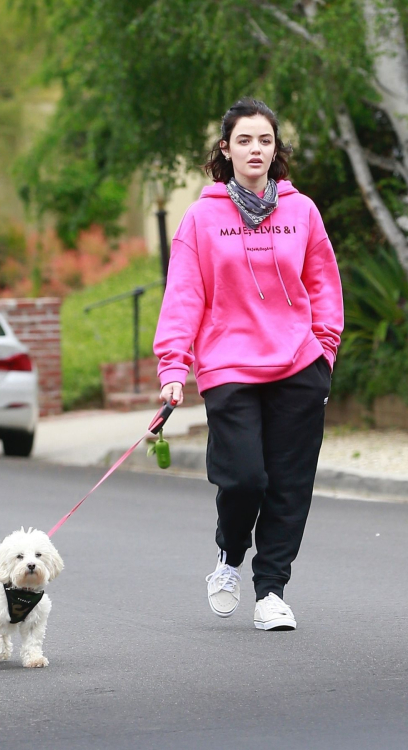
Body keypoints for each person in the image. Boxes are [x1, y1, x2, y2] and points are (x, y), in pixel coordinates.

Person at [153, 97, 343, 630]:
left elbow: (324, 285)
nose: (255, 149)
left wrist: (323, 352)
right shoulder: (203, 216)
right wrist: (174, 368)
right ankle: (229, 556)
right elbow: (184, 296)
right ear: (225, 149)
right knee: (243, 479)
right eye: (244, 140)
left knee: (289, 483)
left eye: (264, 140)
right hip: (230, 366)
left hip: (298, 366)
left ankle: (271, 592)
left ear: (275, 148)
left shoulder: (301, 211)